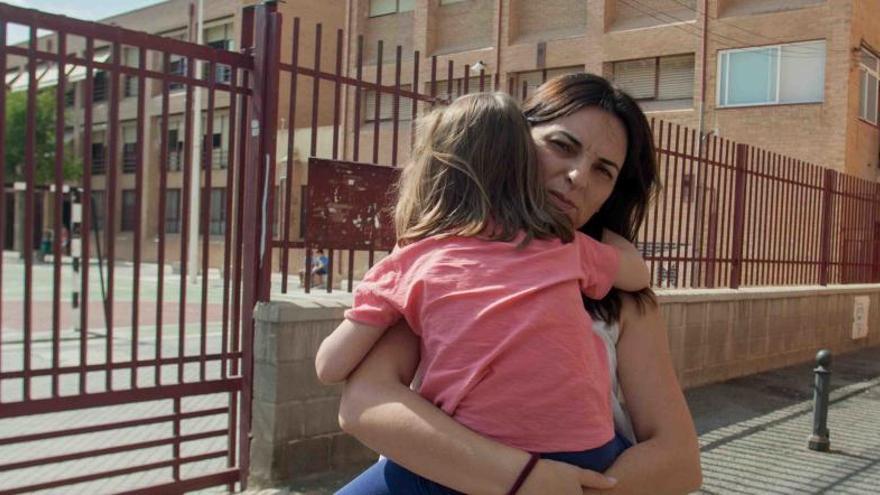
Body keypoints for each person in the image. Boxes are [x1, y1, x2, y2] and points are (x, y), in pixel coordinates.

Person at [334, 74, 702, 494]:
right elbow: (365, 403)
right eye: (562, 146)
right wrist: (524, 479)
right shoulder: (449, 261)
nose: (579, 176)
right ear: (515, 142)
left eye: (603, 171)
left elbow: (679, 460)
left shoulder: (624, 299)